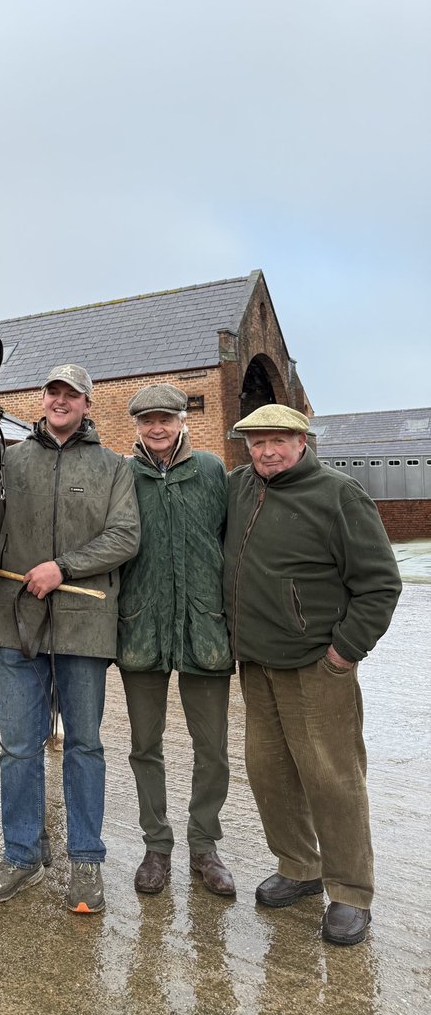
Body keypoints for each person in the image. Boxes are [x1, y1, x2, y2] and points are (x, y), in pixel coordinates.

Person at [0, 364, 139, 914]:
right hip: (17, 625)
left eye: (71, 394)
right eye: (52, 392)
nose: (60, 401)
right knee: (18, 744)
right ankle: (21, 854)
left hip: (85, 627)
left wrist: (63, 568)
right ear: (41, 400)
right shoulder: (9, 461)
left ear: (87, 403)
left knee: (83, 744)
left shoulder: (113, 467)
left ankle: (85, 859)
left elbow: (125, 536)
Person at [224, 403, 401, 946]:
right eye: (257, 441)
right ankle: (299, 867)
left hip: (317, 665)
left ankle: (350, 891)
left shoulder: (338, 495)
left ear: (303, 441)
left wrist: (344, 652)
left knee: (332, 777)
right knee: (269, 772)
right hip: (257, 663)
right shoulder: (238, 488)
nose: (267, 450)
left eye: (279, 439)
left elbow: (379, 584)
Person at [117, 384, 235, 899]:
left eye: (165, 418)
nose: (157, 428)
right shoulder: (124, 473)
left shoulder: (211, 471)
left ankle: (204, 845)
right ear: (136, 427)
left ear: (182, 420)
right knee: (146, 746)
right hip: (142, 628)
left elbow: (234, 542)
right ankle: (156, 845)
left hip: (203, 628)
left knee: (212, 748)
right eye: (147, 421)